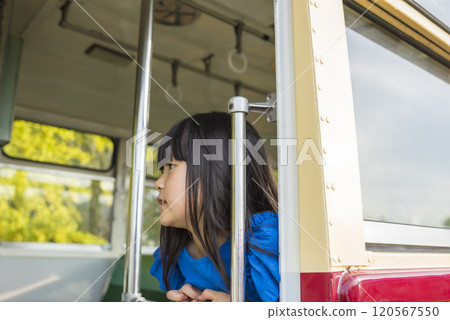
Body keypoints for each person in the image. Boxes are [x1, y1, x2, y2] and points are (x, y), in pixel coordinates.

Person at [149, 111, 279, 302]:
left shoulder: (263, 241)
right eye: (162, 171)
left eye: (172, 167)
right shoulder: (173, 254)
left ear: (217, 174)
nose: (158, 183)